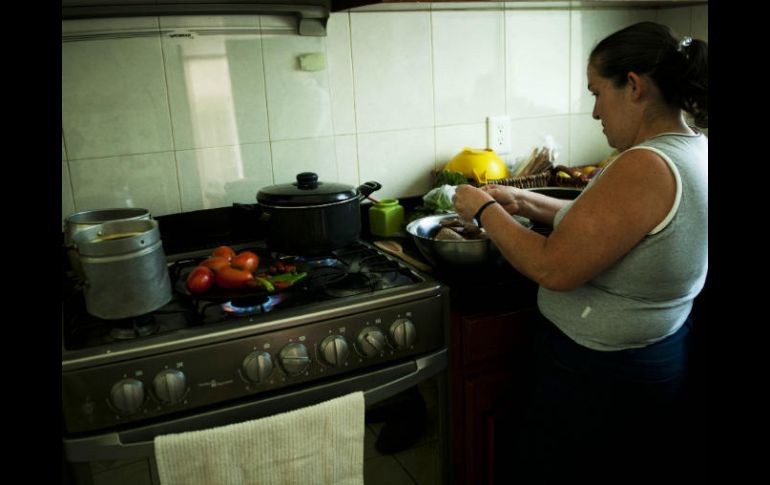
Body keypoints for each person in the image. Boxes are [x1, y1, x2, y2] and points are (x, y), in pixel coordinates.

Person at [452, 22, 707, 483]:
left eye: (596, 93)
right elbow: (607, 225)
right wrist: (524, 200)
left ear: (633, 86)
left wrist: (485, 207)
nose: (594, 113)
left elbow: (553, 267)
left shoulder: (646, 165)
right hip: (646, 357)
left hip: (602, 377)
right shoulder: (692, 148)